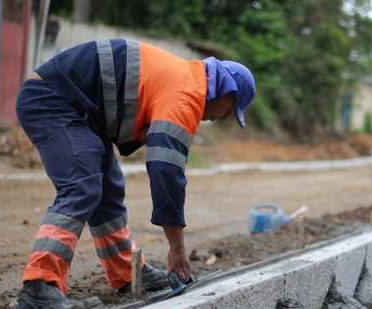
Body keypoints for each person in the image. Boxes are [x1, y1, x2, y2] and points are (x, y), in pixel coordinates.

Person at [15, 39, 256, 307]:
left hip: (81, 111)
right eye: (229, 112)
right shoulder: (187, 94)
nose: (221, 118)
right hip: (53, 99)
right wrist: (177, 250)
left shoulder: (186, 80)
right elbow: (166, 172)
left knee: (107, 190)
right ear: (227, 93)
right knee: (81, 186)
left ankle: (127, 272)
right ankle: (39, 287)